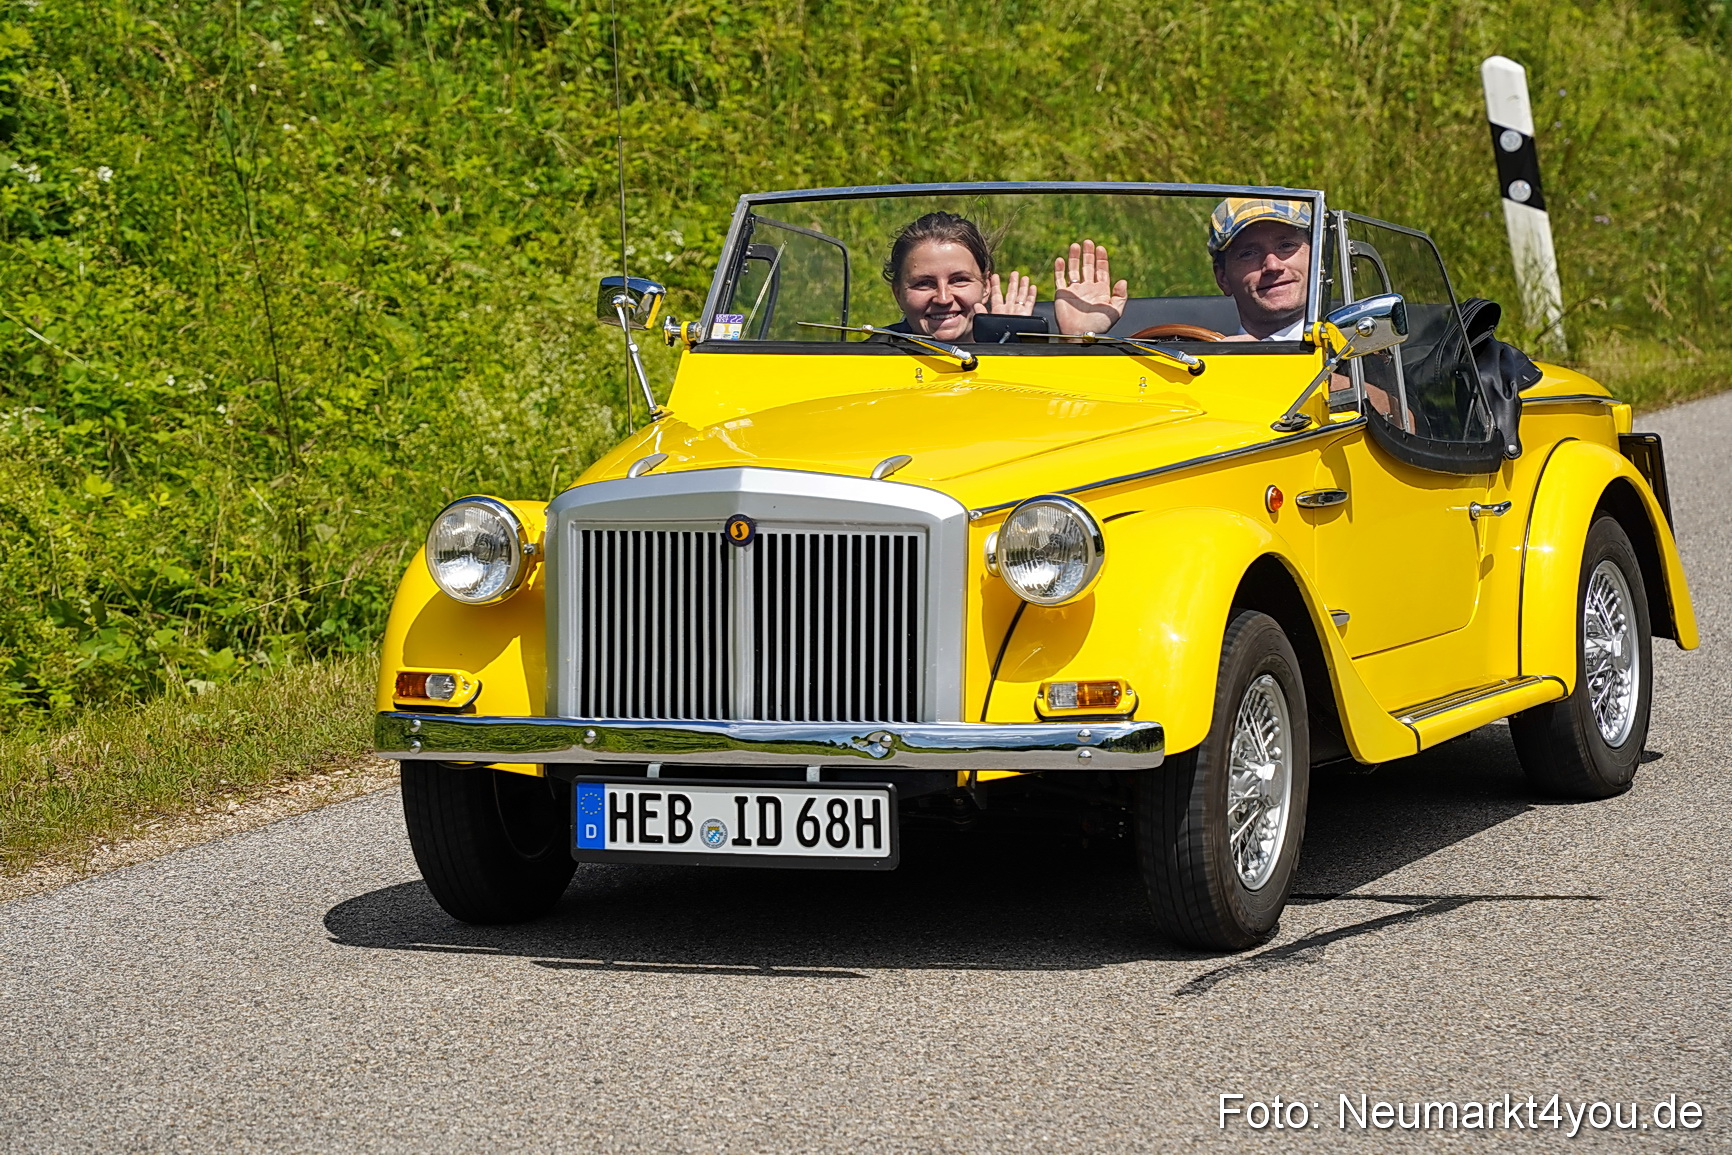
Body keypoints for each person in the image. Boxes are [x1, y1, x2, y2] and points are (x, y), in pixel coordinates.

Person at [884, 212, 1127, 341]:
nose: (944, 298)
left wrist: (1074, 339)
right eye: (924, 284)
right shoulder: (871, 357)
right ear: (898, 293)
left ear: (986, 285)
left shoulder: (1025, 351)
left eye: (959, 280)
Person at [1206, 198, 1312, 342]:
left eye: (1286, 246)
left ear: (1318, 259)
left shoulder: (1348, 352)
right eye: (1248, 253)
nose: (1273, 266)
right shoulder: (1197, 361)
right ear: (1223, 278)